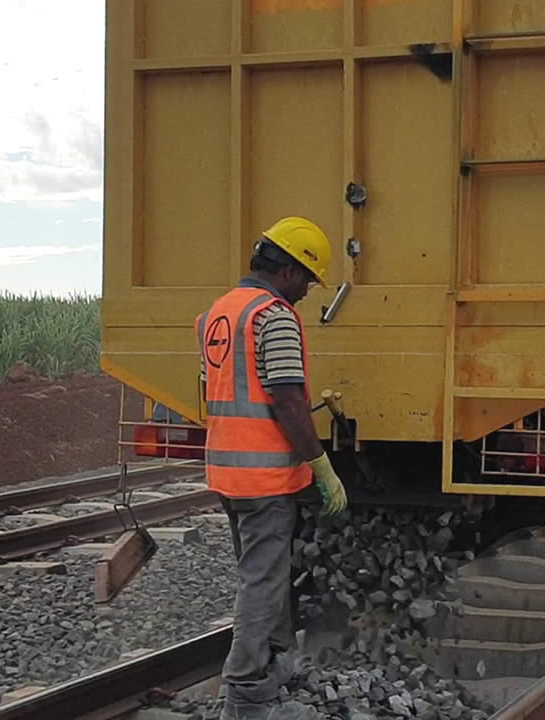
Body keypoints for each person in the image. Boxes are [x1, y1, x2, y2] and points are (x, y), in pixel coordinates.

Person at [195, 216, 348, 720]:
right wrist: (321, 466)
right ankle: (243, 691)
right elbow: (286, 399)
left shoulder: (219, 313)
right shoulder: (273, 316)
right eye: (306, 278)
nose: (306, 290)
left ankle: (275, 660)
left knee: (265, 572)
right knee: (261, 580)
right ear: (286, 269)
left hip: (227, 473)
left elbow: (217, 392)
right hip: (263, 475)